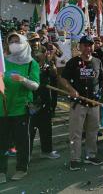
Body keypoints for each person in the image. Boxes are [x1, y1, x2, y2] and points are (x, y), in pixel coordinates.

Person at [60, 35, 103, 171]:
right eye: (85, 45)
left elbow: (102, 77)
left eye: (90, 45)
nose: (88, 48)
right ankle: (75, 159)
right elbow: (63, 79)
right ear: (80, 47)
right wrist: (71, 89)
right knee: (75, 132)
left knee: (92, 131)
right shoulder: (73, 62)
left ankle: (91, 155)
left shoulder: (97, 61)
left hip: (94, 102)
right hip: (78, 103)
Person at [0, 33, 40, 183]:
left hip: (21, 109)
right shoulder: (2, 60)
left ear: (24, 43)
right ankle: (1, 171)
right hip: (2, 108)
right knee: (2, 142)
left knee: (21, 141)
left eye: (17, 41)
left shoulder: (31, 63)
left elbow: (35, 85)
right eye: (11, 42)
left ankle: (21, 168)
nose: (14, 44)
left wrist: (23, 80)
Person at [28, 33, 60, 160]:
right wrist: (41, 61)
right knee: (30, 127)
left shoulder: (46, 56)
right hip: (31, 97)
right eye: (32, 41)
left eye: (36, 41)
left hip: (46, 96)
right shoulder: (25, 58)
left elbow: (53, 75)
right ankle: (27, 154)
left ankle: (47, 150)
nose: (35, 43)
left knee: (46, 125)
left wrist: (51, 64)